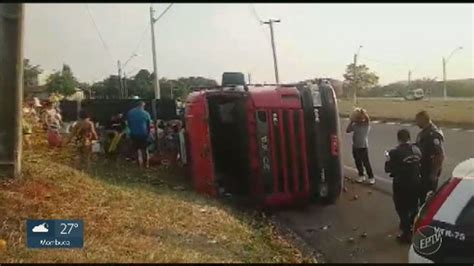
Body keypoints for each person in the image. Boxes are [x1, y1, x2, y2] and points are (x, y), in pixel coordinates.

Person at [385, 129, 422, 244]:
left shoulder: (394, 152)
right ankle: (412, 226)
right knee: (414, 206)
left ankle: (406, 233)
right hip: (416, 182)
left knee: (401, 208)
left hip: (401, 184)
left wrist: (387, 159)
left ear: (398, 139)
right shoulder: (417, 150)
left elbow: (388, 169)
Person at [415, 110, 445, 205]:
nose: (416, 123)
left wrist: (434, 174)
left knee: (428, 199)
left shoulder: (433, 134)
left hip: (429, 170)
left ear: (423, 120)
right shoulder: (424, 132)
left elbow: (439, 155)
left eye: (418, 120)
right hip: (423, 169)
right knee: (421, 195)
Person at [346, 108, 375, 185]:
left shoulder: (366, 125)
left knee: (366, 162)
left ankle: (371, 177)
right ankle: (361, 175)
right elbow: (347, 130)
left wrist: (362, 112)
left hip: (363, 147)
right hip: (355, 146)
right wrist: (351, 121)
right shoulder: (355, 125)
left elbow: (367, 119)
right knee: (358, 162)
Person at [127, 101, 152, 168]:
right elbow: (149, 125)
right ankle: (146, 165)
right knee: (145, 150)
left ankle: (138, 165)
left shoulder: (130, 112)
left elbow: (129, 123)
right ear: (143, 106)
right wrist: (148, 133)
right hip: (143, 134)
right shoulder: (146, 113)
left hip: (134, 134)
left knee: (136, 150)